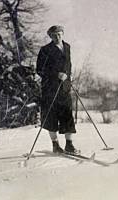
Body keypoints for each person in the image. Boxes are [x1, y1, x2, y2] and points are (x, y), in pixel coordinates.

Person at [36, 25, 79, 154]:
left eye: (60, 34)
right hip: (50, 88)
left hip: (65, 87)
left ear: (63, 34)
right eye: (54, 35)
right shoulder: (45, 50)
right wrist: (56, 74)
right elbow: (39, 70)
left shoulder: (67, 47)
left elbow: (68, 65)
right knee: (51, 116)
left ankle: (69, 145)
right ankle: (55, 145)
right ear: (50, 36)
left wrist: (68, 75)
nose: (57, 37)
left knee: (67, 115)